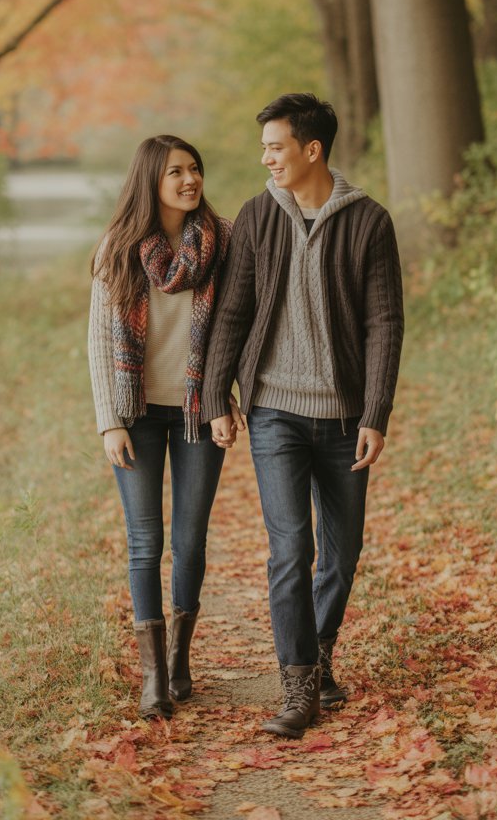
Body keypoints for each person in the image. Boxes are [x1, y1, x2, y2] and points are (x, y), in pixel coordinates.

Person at [202, 93, 404, 738]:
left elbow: (384, 323)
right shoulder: (258, 216)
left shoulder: (369, 221)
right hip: (275, 414)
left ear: (311, 149)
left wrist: (376, 412)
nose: (266, 158)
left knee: (341, 556)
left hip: (345, 416)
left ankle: (318, 655)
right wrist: (216, 397)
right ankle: (298, 689)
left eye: (275, 146)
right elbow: (233, 312)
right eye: (263, 147)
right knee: (291, 548)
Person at [88, 135, 236, 721]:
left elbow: (234, 329)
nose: (188, 180)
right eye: (175, 171)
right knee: (145, 541)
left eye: (195, 168)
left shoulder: (221, 242)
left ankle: (179, 658)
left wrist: (229, 398)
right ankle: (152, 678)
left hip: (200, 408)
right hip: (138, 413)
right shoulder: (118, 248)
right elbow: (100, 343)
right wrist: (109, 423)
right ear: (150, 179)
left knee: (190, 539)